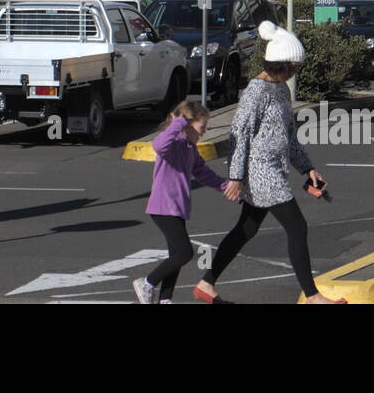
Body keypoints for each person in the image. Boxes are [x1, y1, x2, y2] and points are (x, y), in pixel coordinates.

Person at [194, 21, 346, 304]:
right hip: (260, 173)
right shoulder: (257, 90)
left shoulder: (281, 91)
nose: (297, 70)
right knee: (297, 227)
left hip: (274, 169)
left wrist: (307, 168)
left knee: (246, 229)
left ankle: (206, 282)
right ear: (285, 65)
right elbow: (239, 133)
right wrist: (236, 177)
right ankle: (313, 297)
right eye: (296, 65)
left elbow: (289, 136)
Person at [133, 100, 239, 304]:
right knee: (184, 252)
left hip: (177, 208)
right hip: (163, 207)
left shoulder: (189, 147)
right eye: (201, 127)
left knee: (176, 255)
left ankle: (166, 299)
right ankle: (147, 282)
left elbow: (202, 172)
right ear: (186, 126)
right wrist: (177, 123)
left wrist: (226, 187)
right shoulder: (173, 143)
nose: (204, 132)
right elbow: (158, 144)